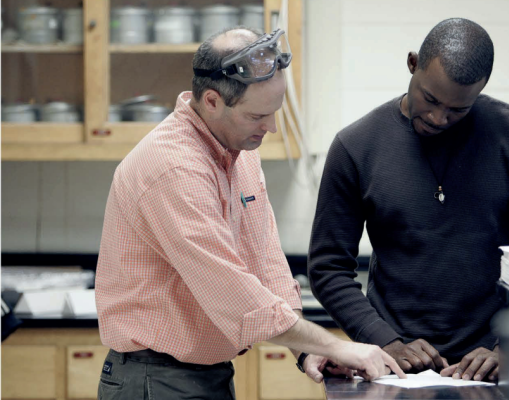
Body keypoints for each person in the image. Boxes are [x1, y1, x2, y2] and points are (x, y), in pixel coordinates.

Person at [95, 27, 402, 400]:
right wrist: (337, 347)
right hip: (154, 380)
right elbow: (234, 295)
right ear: (211, 100)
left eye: (275, 112)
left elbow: (265, 261)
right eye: (258, 115)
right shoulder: (174, 169)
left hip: (207, 375)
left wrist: (307, 349)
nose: (270, 127)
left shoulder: (239, 152)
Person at [308, 18, 509, 383]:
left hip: (491, 369)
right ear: (412, 64)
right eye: (429, 98)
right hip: (395, 369)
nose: (438, 117)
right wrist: (383, 341)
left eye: (458, 109)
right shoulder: (356, 146)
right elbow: (327, 267)